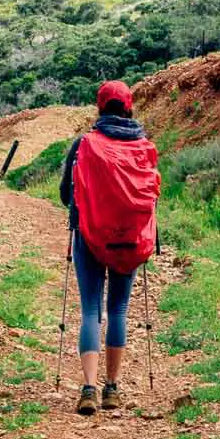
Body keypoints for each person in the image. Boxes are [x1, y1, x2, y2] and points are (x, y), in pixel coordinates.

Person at [59, 80, 159, 416]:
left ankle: (88, 388)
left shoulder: (85, 143)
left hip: (88, 235)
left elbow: (65, 194)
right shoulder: (143, 146)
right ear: (129, 107)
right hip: (128, 240)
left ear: (100, 107)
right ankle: (112, 388)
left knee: (90, 310)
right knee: (117, 310)